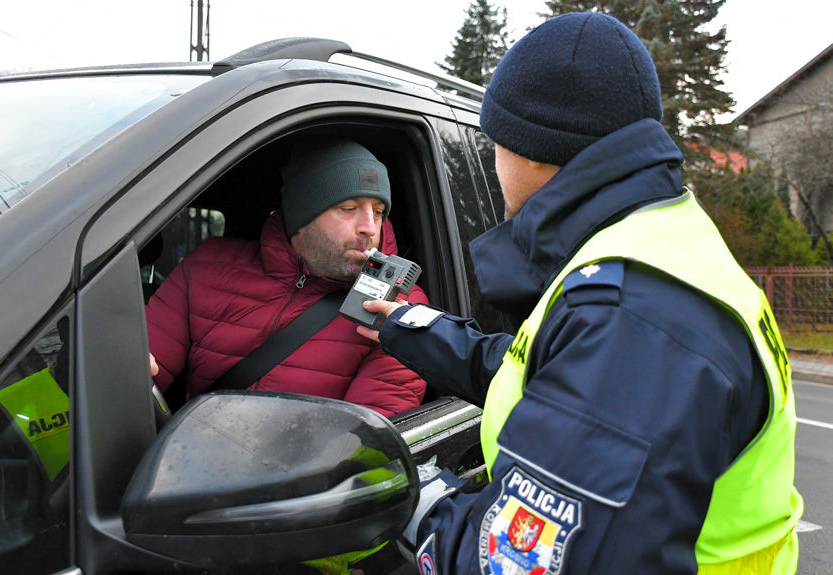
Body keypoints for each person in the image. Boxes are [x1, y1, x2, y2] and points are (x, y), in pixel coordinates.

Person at [358, 12, 803, 574]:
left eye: (497, 143)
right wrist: (409, 324)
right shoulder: (657, 242)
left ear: (534, 150)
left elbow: (520, 561)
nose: (494, 165)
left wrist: (427, 507)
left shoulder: (633, 316)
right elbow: (542, 373)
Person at [146, 138, 428, 418]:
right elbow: (135, 373)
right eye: (349, 208)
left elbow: (362, 444)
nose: (370, 227)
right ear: (302, 217)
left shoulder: (400, 308)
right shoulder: (207, 267)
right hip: (190, 454)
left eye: (378, 212)